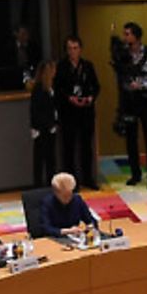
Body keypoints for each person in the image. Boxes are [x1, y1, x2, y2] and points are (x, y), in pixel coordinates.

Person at [114, 22, 147, 188]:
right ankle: (135, 174)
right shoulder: (123, 54)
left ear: (136, 36)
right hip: (129, 100)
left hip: (146, 100)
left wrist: (141, 86)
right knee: (131, 139)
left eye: (127, 34)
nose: (125, 37)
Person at [58, 36, 100, 188]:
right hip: (68, 112)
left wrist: (90, 98)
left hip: (86, 112)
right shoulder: (61, 67)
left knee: (86, 147)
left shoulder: (88, 66)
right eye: (69, 48)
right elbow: (58, 89)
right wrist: (69, 98)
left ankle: (88, 178)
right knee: (68, 148)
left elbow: (96, 86)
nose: (72, 51)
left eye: (75, 48)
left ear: (80, 49)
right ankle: (71, 183)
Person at [29, 60, 60, 187]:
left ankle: (50, 183)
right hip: (41, 129)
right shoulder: (38, 89)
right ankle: (38, 185)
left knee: (50, 159)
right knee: (40, 159)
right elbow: (36, 111)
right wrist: (48, 124)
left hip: (50, 128)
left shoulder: (52, 87)